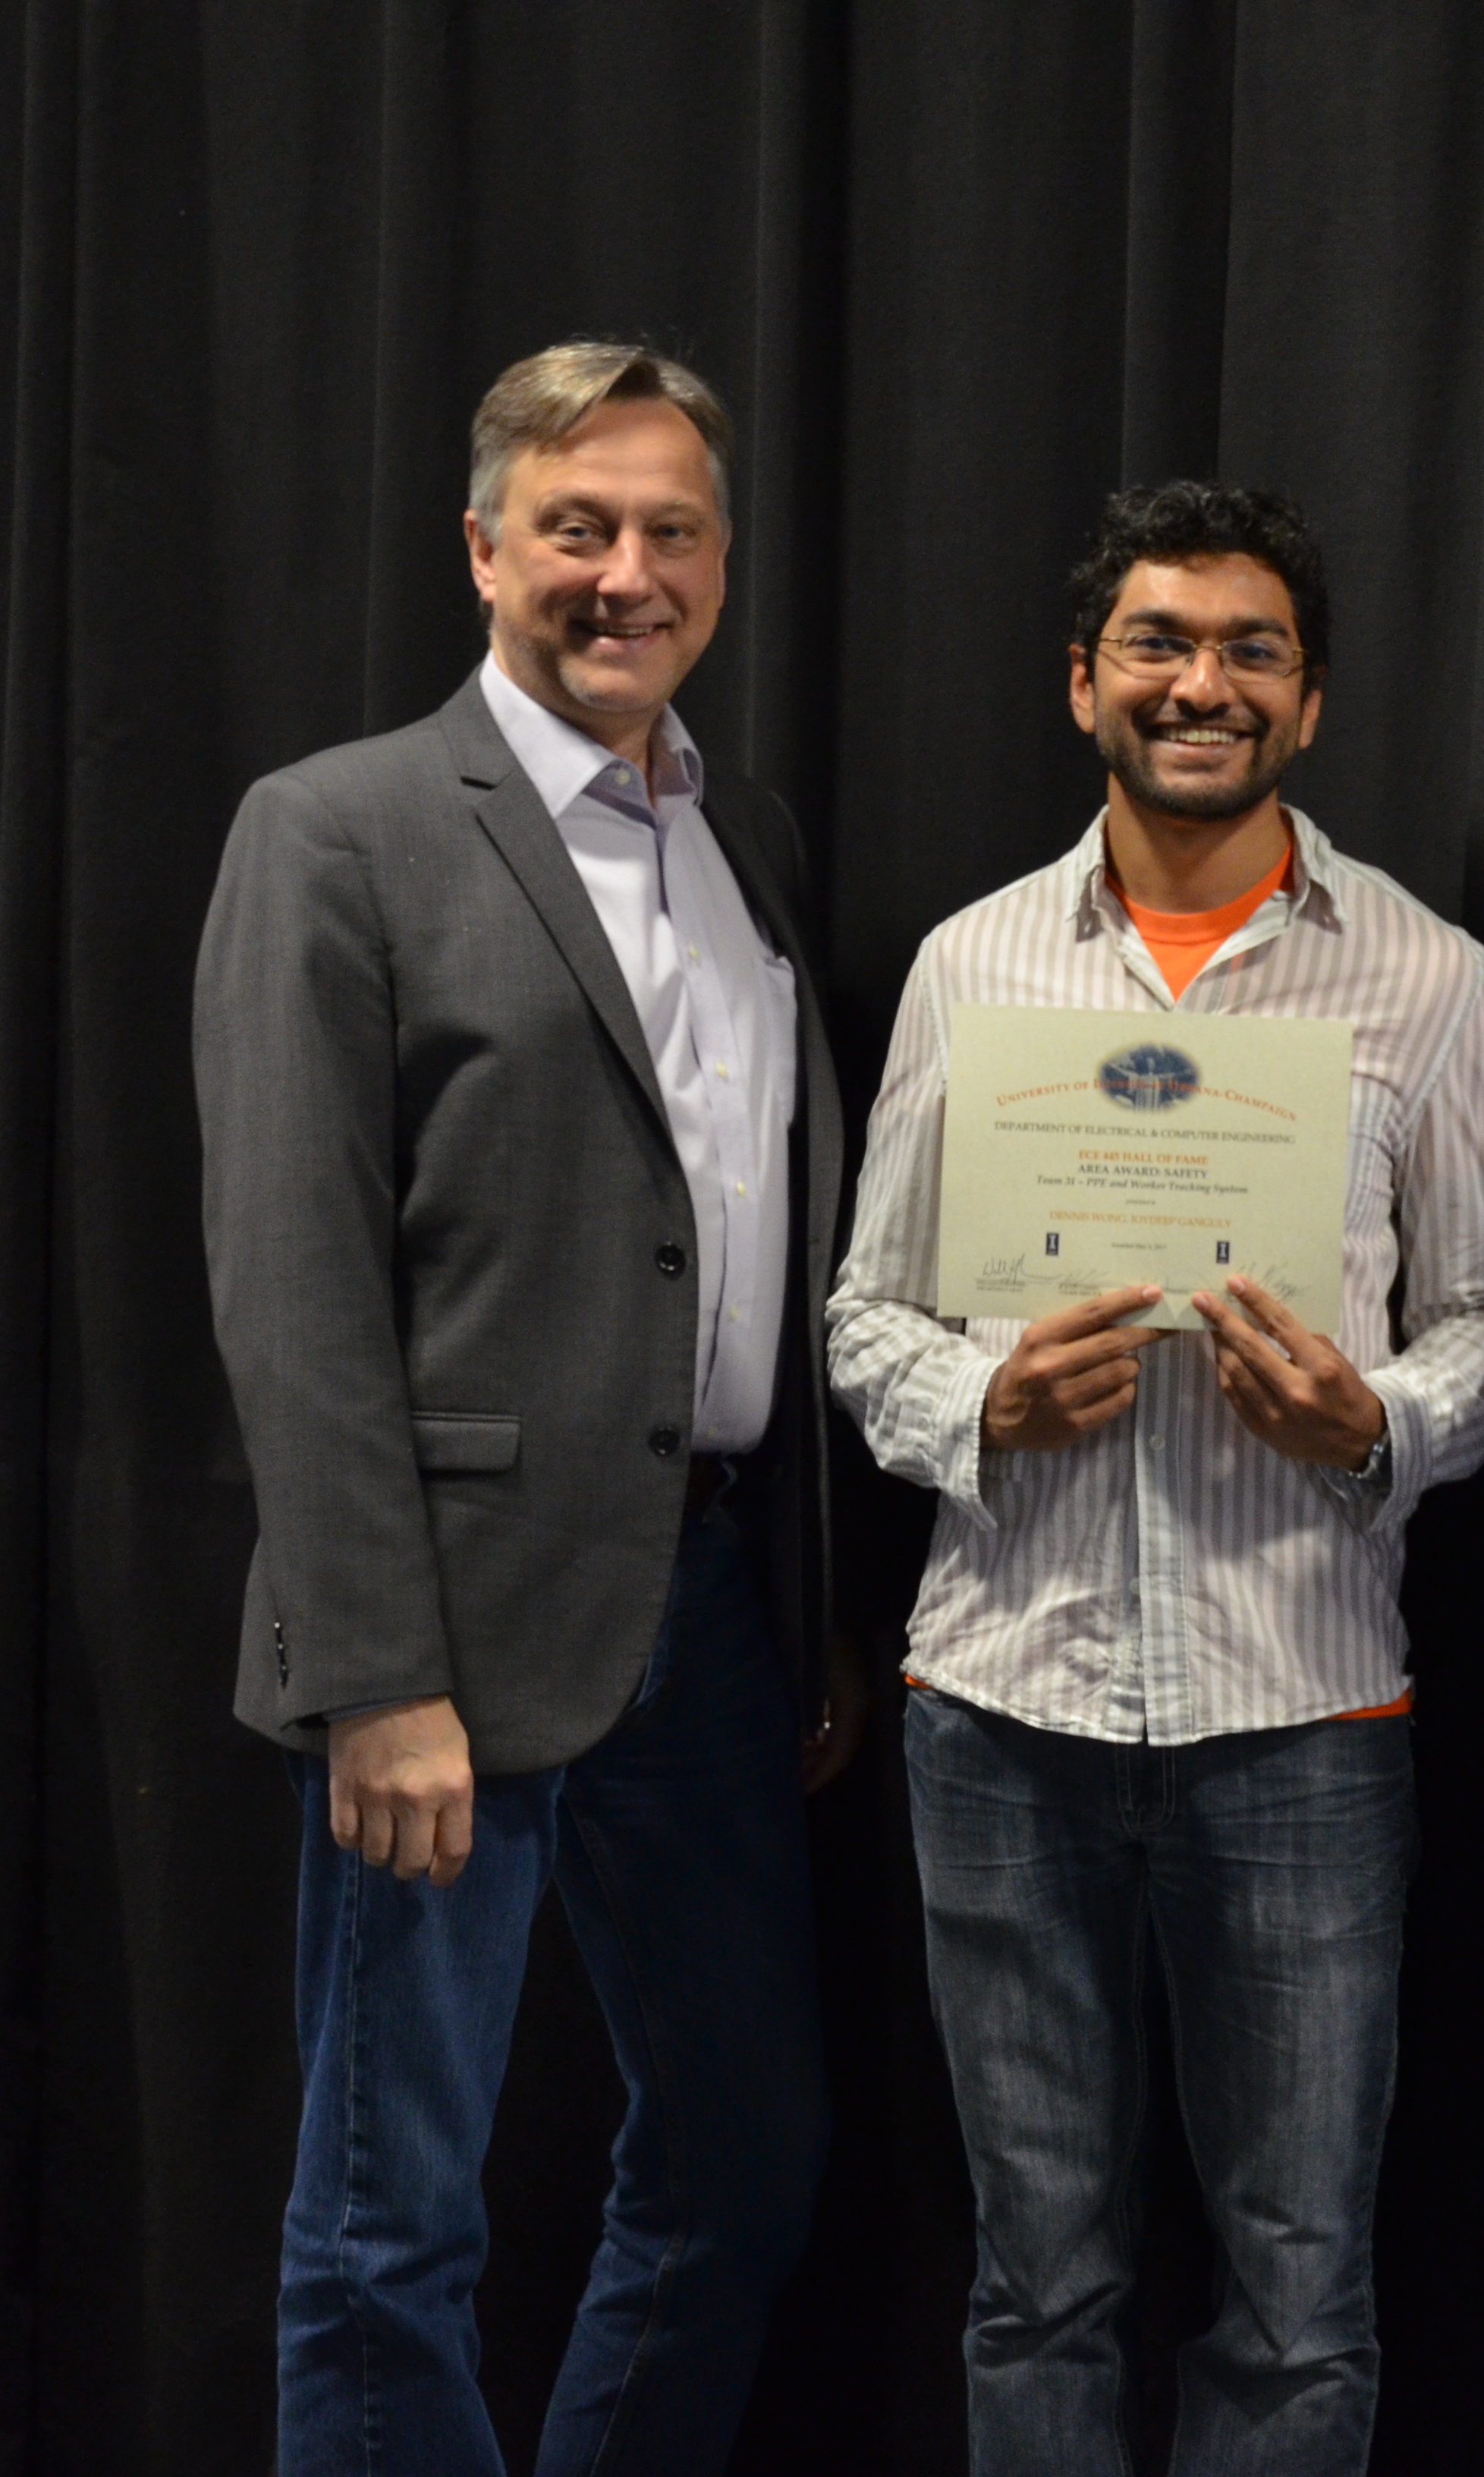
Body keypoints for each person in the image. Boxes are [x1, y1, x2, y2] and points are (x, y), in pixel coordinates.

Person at [194, 341, 852, 2473]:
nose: (624, 571)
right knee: (393, 2219)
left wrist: (810, 1597)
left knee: (746, 2157)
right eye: (576, 526)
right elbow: (293, 1290)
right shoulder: (339, 831)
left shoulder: (735, 831)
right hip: (449, 1634)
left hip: (719, 1617)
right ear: (486, 549)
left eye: (669, 531)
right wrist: (371, 1668)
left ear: (724, 569)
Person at [828, 480, 1484, 2471]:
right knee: (1036, 2279)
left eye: (1250, 652)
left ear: (1309, 705)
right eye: (1158, 644)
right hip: (1003, 1711)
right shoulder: (972, 971)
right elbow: (866, 1318)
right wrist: (981, 1411)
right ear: (1082, 685)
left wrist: (1376, 1424)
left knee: (1301, 2296)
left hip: (1301, 1716)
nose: (1200, 684)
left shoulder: (1429, 977)